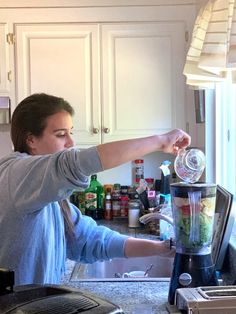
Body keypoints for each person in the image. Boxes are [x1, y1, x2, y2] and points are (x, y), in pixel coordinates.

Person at [0, 93, 191, 285]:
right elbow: (76, 163)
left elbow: (88, 240)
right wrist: (161, 141)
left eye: (70, 132)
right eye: (60, 134)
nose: (71, 143)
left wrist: (160, 248)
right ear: (31, 140)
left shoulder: (45, 190)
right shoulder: (16, 176)